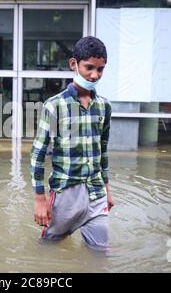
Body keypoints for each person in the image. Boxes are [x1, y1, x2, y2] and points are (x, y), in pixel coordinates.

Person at [30, 36, 114, 251]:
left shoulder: (104, 106)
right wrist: (39, 199)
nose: (95, 75)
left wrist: (106, 188)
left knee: (99, 254)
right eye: (89, 68)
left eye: (100, 69)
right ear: (73, 64)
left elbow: (102, 152)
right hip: (66, 193)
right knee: (48, 249)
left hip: (96, 193)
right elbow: (38, 154)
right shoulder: (55, 106)